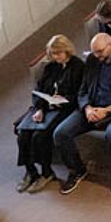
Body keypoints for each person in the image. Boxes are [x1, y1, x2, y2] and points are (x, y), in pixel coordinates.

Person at [54, 32, 111, 195]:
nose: (97, 56)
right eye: (94, 52)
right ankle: (77, 170)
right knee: (60, 133)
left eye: (100, 52)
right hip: (92, 108)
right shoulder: (92, 60)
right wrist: (87, 108)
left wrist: (109, 109)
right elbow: (83, 89)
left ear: (110, 44)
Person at [14, 34, 83, 193]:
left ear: (67, 51)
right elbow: (38, 90)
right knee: (23, 133)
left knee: (40, 135)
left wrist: (64, 98)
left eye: (58, 53)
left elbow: (80, 93)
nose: (55, 56)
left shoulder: (78, 66)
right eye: (52, 53)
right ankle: (31, 172)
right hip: (45, 107)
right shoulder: (50, 67)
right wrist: (40, 108)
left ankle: (46, 172)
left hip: (64, 108)